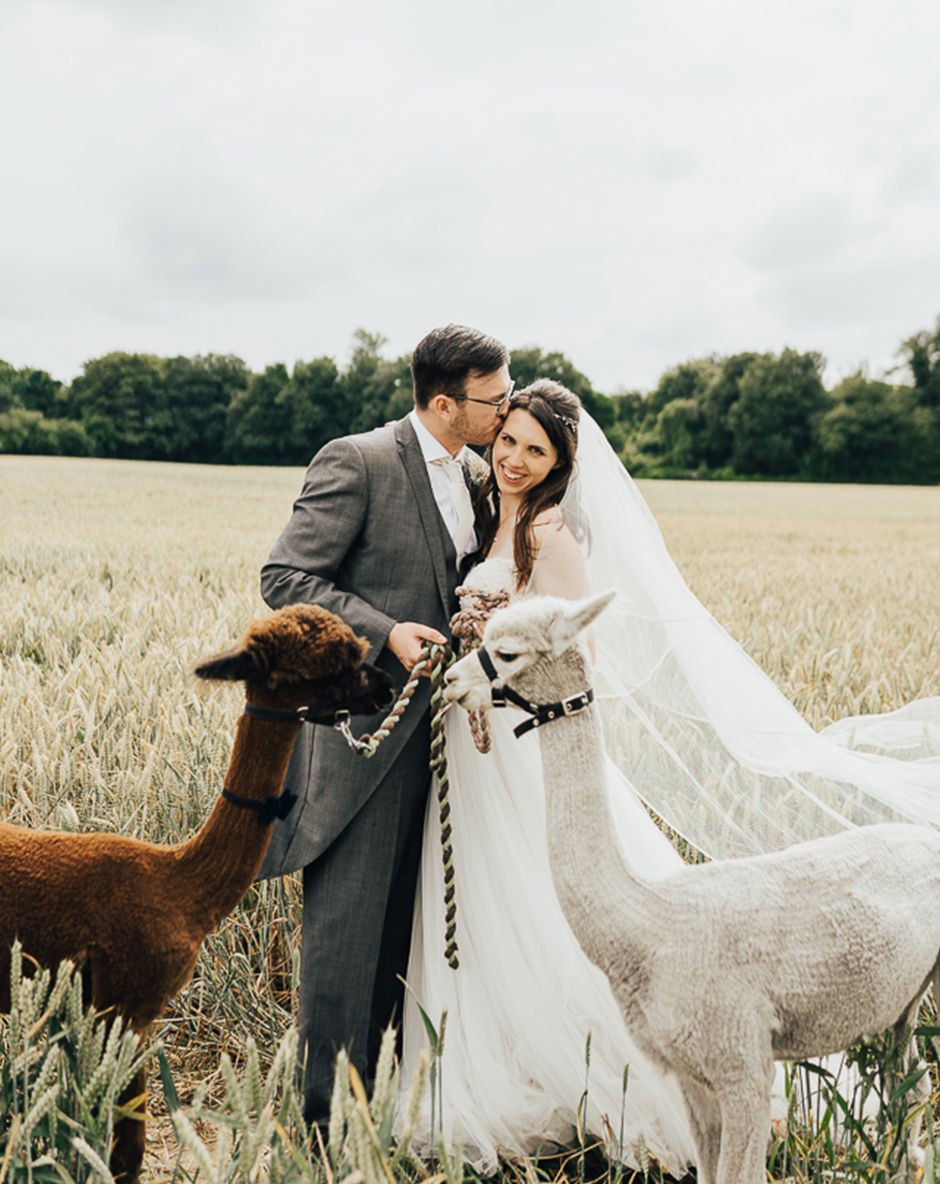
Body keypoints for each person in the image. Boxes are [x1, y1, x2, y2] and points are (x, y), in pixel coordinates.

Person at [399, 378, 940, 1174]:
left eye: (533, 449)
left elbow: (576, 656)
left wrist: (501, 664)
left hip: (533, 750)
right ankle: (493, 1072)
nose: (513, 458)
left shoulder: (552, 534)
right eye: (507, 439)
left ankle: (624, 1083)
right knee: (486, 919)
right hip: (481, 757)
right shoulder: (487, 513)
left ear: (560, 463)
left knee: (567, 917)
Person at [257, 323, 513, 1124]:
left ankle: (387, 1114)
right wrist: (385, 631)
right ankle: (323, 1133)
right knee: (346, 945)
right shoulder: (358, 460)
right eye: (494, 398)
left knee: (413, 945)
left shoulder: (478, 478)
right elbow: (284, 576)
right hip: (361, 747)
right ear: (445, 402)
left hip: (451, 754)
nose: (506, 409)